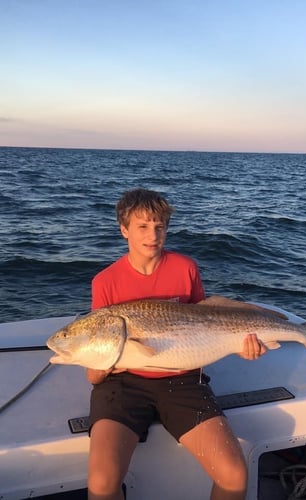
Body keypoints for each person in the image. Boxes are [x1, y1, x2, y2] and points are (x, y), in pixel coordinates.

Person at [86, 188, 267, 500]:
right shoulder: (105, 281)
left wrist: (241, 344)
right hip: (123, 384)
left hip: (183, 380)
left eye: (160, 227)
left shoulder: (185, 267)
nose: (153, 235)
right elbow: (94, 373)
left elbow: (205, 322)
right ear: (124, 230)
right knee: (102, 483)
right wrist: (99, 368)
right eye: (142, 227)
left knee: (235, 474)